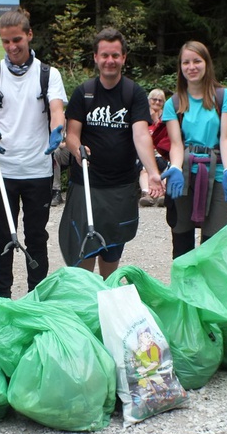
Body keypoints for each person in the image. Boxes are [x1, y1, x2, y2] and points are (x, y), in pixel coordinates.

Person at [0, 8, 67, 298]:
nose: (12, 47)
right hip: (2, 169)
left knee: (37, 235)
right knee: (2, 235)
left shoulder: (48, 74)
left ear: (29, 35)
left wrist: (57, 130)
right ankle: (3, 295)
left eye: (17, 40)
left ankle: (36, 296)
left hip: (38, 169)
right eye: (5, 41)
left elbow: (56, 110)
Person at [59, 27, 163, 279]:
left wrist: (153, 173)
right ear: (95, 57)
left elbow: (141, 135)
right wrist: (77, 148)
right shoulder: (83, 92)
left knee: (112, 249)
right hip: (86, 184)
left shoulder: (133, 93)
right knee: (84, 250)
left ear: (124, 58)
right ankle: (87, 300)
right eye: (104, 55)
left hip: (121, 186)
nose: (110, 61)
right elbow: (71, 134)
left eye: (115, 55)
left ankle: (107, 295)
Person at [160, 41, 227, 259]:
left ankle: (209, 290)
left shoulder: (224, 97)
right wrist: (174, 167)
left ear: (207, 64)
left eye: (196, 61)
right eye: (186, 62)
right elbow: (176, 143)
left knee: (214, 244)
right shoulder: (173, 103)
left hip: (218, 172)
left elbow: (225, 137)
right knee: (182, 239)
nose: (191, 67)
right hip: (184, 174)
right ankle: (183, 290)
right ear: (180, 67)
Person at [139, 88, 170, 207]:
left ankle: (162, 194)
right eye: (154, 99)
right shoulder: (142, 115)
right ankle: (146, 194)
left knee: (167, 168)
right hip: (146, 153)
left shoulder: (166, 116)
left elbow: (164, 135)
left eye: (160, 100)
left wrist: (156, 120)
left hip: (162, 152)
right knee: (144, 169)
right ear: (148, 100)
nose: (157, 102)